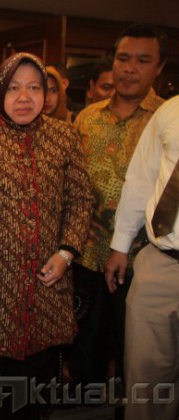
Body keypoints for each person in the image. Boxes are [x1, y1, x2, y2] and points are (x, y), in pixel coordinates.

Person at [0, 52, 94, 419]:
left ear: (47, 93)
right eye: (14, 88)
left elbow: (81, 199)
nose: (24, 98)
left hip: (47, 286)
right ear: (1, 91)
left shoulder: (64, 137)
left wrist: (66, 253)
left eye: (34, 88)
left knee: (33, 394)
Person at [70, 23, 167, 387]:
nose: (130, 68)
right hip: (87, 254)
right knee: (85, 349)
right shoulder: (88, 117)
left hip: (143, 259)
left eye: (143, 60)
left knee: (137, 356)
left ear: (159, 67)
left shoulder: (167, 120)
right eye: (123, 58)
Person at [106, 94, 179, 420]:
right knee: (145, 383)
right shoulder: (172, 110)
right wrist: (121, 244)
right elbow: (141, 178)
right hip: (161, 262)